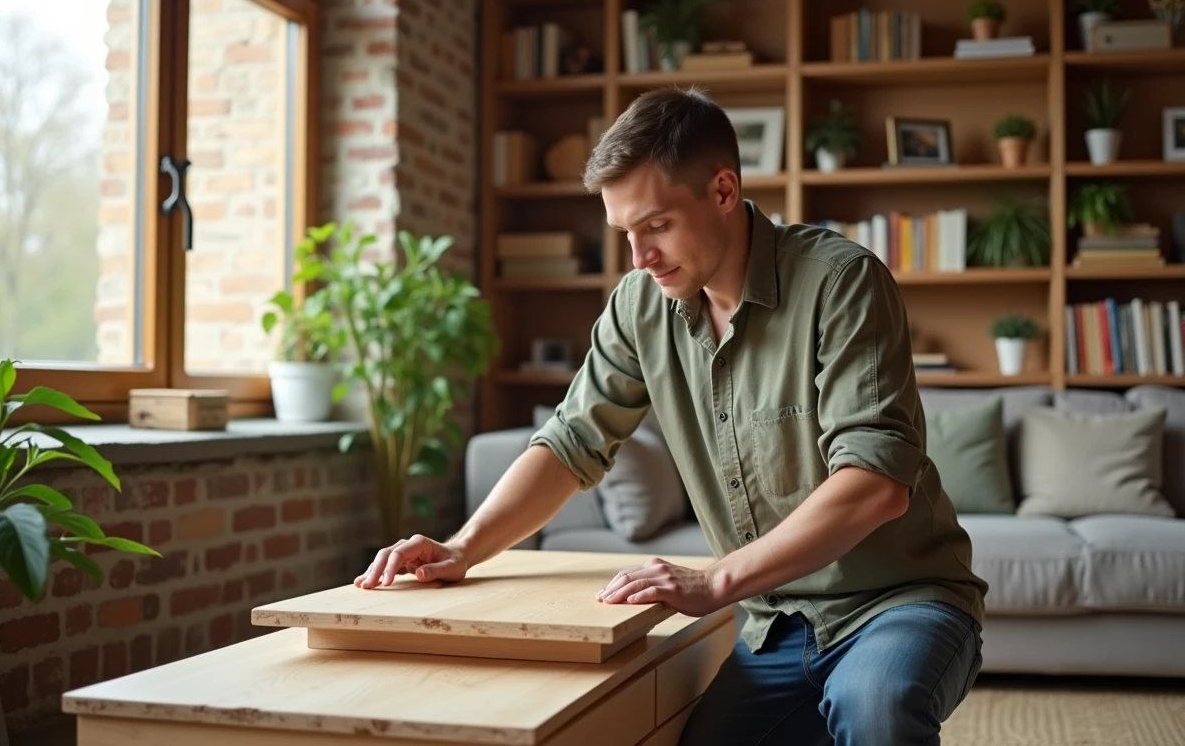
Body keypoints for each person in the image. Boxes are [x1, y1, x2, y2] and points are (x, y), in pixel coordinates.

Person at [354, 86, 988, 745]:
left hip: (899, 603)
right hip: (777, 623)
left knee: (877, 707)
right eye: (626, 234)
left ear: (723, 190)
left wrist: (714, 579)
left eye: (656, 225)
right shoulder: (639, 305)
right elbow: (571, 442)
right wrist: (462, 547)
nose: (639, 257)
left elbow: (877, 484)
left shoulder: (841, 280)